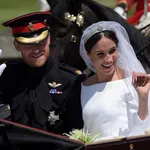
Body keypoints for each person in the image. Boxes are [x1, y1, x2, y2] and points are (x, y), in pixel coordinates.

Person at [0, 11, 86, 134]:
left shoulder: (71, 79)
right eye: (28, 45)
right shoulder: (8, 75)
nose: (36, 50)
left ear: (49, 39)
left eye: (41, 42)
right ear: (17, 45)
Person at [79, 21, 150, 141]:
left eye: (112, 51)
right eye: (100, 54)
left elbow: (145, 126)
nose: (108, 60)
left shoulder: (133, 80)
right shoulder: (85, 85)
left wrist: (143, 96)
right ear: (88, 55)